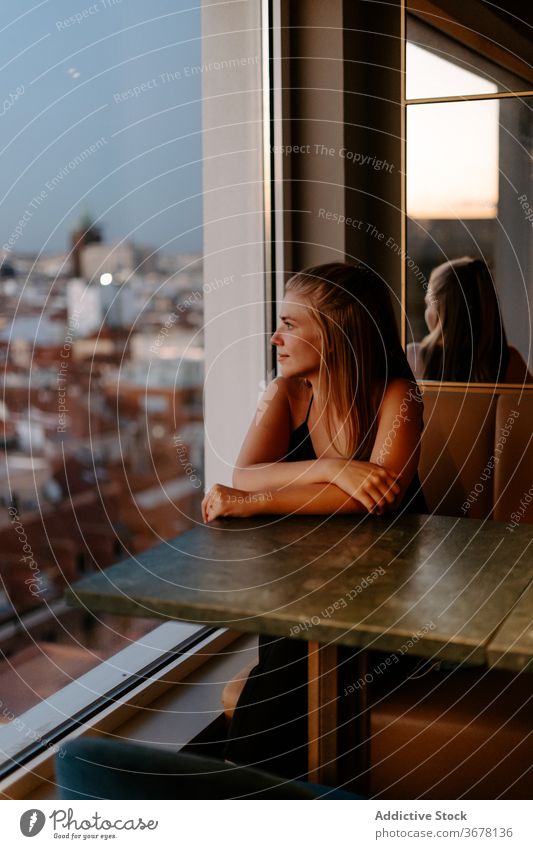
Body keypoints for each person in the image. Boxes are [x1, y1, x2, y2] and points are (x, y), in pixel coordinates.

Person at [201, 261, 427, 779]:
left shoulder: (399, 396)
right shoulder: (284, 394)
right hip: (305, 581)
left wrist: (257, 500)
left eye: (291, 324)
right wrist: (336, 468)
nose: (275, 337)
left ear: (337, 334)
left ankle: (252, 789)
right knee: (287, 646)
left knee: (286, 669)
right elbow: (245, 472)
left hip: (387, 598)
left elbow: (376, 498)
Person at [407, 257, 533, 383]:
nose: (426, 311)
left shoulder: (414, 358)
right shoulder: (510, 362)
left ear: (442, 312)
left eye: (428, 304)